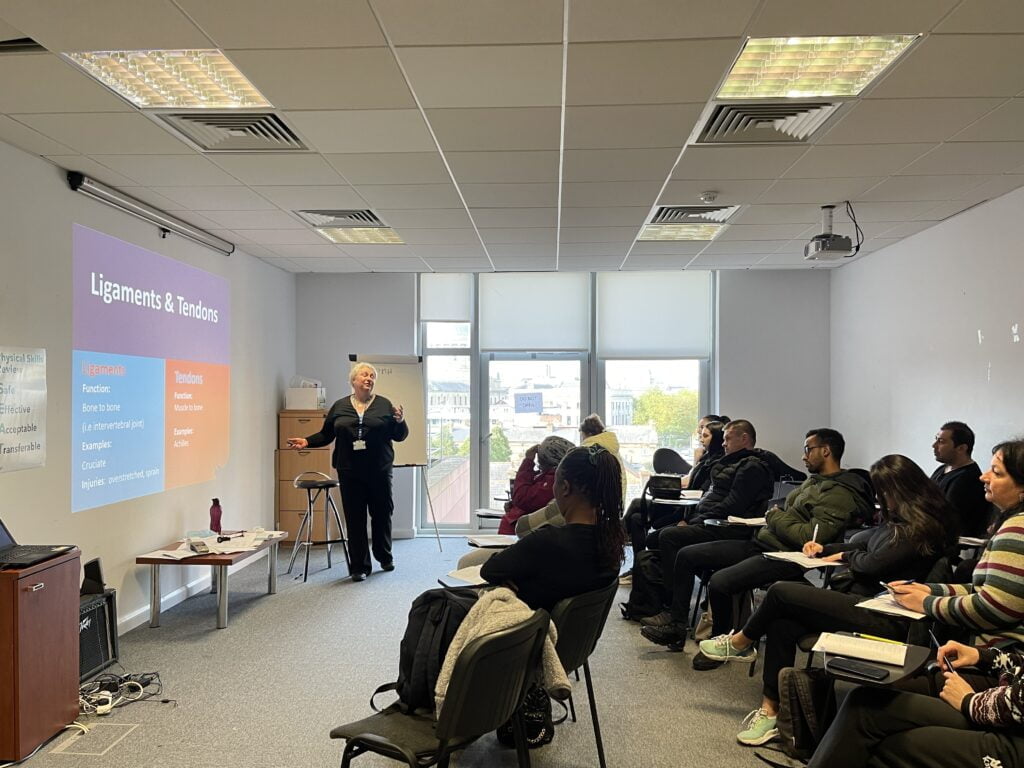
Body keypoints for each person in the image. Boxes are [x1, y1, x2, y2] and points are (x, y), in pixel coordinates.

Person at [693, 454, 957, 746]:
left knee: (781, 591)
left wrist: (848, 555)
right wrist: (826, 549)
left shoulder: (920, 529)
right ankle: (771, 711)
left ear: (900, 489)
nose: (881, 500)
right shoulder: (898, 522)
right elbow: (863, 546)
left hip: (891, 618)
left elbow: (871, 565)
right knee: (782, 622)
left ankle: (741, 642)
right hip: (863, 604)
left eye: (884, 492)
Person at [642, 428, 873, 649]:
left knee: (719, 582)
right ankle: (677, 626)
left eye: (808, 449)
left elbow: (807, 537)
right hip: (761, 542)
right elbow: (787, 516)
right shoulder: (814, 482)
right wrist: (776, 517)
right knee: (686, 555)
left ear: (826, 451)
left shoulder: (840, 494)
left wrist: (775, 517)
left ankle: (722, 643)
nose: (804, 456)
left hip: (786, 556)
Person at [806, 638, 1024, 768]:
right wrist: (983, 657)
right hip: (1010, 703)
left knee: (889, 747)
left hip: (1014, 729)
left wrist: (970, 701)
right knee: (865, 705)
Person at [287, 362, 407, 582]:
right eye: (364, 375)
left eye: (372, 376)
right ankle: (359, 566)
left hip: (379, 470)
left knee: (382, 514)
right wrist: (306, 441)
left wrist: (400, 421)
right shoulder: (339, 406)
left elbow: (399, 436)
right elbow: (326, 435)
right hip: (349, 471)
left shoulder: (384, 405)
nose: (368, 378)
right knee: (354, 518)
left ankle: (384, 555)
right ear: (353, 380)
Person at [481, 444, 626, 611]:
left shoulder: (545, 542)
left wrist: (510, 575)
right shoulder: (611, 543)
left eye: (555, 481)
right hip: (562, 627)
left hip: (527, 623)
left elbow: (489, 569)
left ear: (565, 488)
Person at [497, 435, 574, 535]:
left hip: (519, 534)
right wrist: (513, 505)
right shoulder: (549, 476)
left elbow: (522, 498)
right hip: (517, 530)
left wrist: (528, 461)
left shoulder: (554, 481)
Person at [932, 420, 993, 538]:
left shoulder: (967, 479)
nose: (934, 446)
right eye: (936, 440)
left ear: (961, 448)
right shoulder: (942, 469)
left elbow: (946, 519)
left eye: (941, 442)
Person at [579, 412, 627, 505]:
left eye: (582, 435)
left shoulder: (590, 450)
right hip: (614, 503)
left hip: (596, 506)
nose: (582, 439)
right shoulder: (612, 448)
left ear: (589, 434)